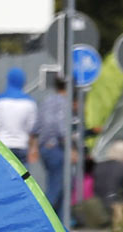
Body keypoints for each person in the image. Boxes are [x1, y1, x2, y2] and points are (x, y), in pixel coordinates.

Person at [33, 78, 69, 216]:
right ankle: (43, 216)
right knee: (56, 187)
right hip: (56, 147)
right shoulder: (63, 103)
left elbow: (36, 126)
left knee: (57, 185)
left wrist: (35, 146)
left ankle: (59, 223)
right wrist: (70, 148)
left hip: (44, 147)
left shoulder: (46, 101)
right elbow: (61, 128)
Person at [0, 67, 37, 164]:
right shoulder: (29, 103)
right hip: (21, 145)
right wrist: (33, 149)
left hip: (3, 145)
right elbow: (32, 130)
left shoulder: (0, 101)